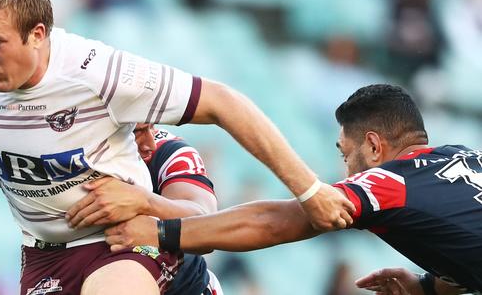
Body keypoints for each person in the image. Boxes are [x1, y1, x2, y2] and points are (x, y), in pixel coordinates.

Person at [0, 0, 353, 294]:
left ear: (38, 34)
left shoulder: (97, 72)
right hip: (42, 258)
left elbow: (225, 103)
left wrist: (310, 189)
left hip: (122, 242)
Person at [105, 84, 482, 294]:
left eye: (346, 155)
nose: (346, 169)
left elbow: (276, 221)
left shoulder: (390, 182)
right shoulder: (466, 157)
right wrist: (427, 287)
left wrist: (159, 231)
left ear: (373, 146)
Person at [66, 123, 223, 295]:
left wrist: (145, 201)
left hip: (182, 287)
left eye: (151, 126)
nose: (150, 144)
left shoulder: (169, 152)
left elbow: (206, 225)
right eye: (136, 131)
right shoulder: (55, 152)